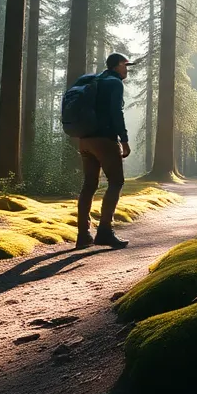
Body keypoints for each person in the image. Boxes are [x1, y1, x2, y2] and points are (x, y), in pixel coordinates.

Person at [75, 52, 136, 249]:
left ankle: (83, 235)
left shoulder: (94, 81)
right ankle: (104, 231)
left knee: (89, 184)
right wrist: (124, 140)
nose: (127, 69)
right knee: (116, 181)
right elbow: (116, 113)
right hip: (104, 140)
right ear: (118, 65)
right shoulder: (115, 83)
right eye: (125, 65)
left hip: (84, 140)